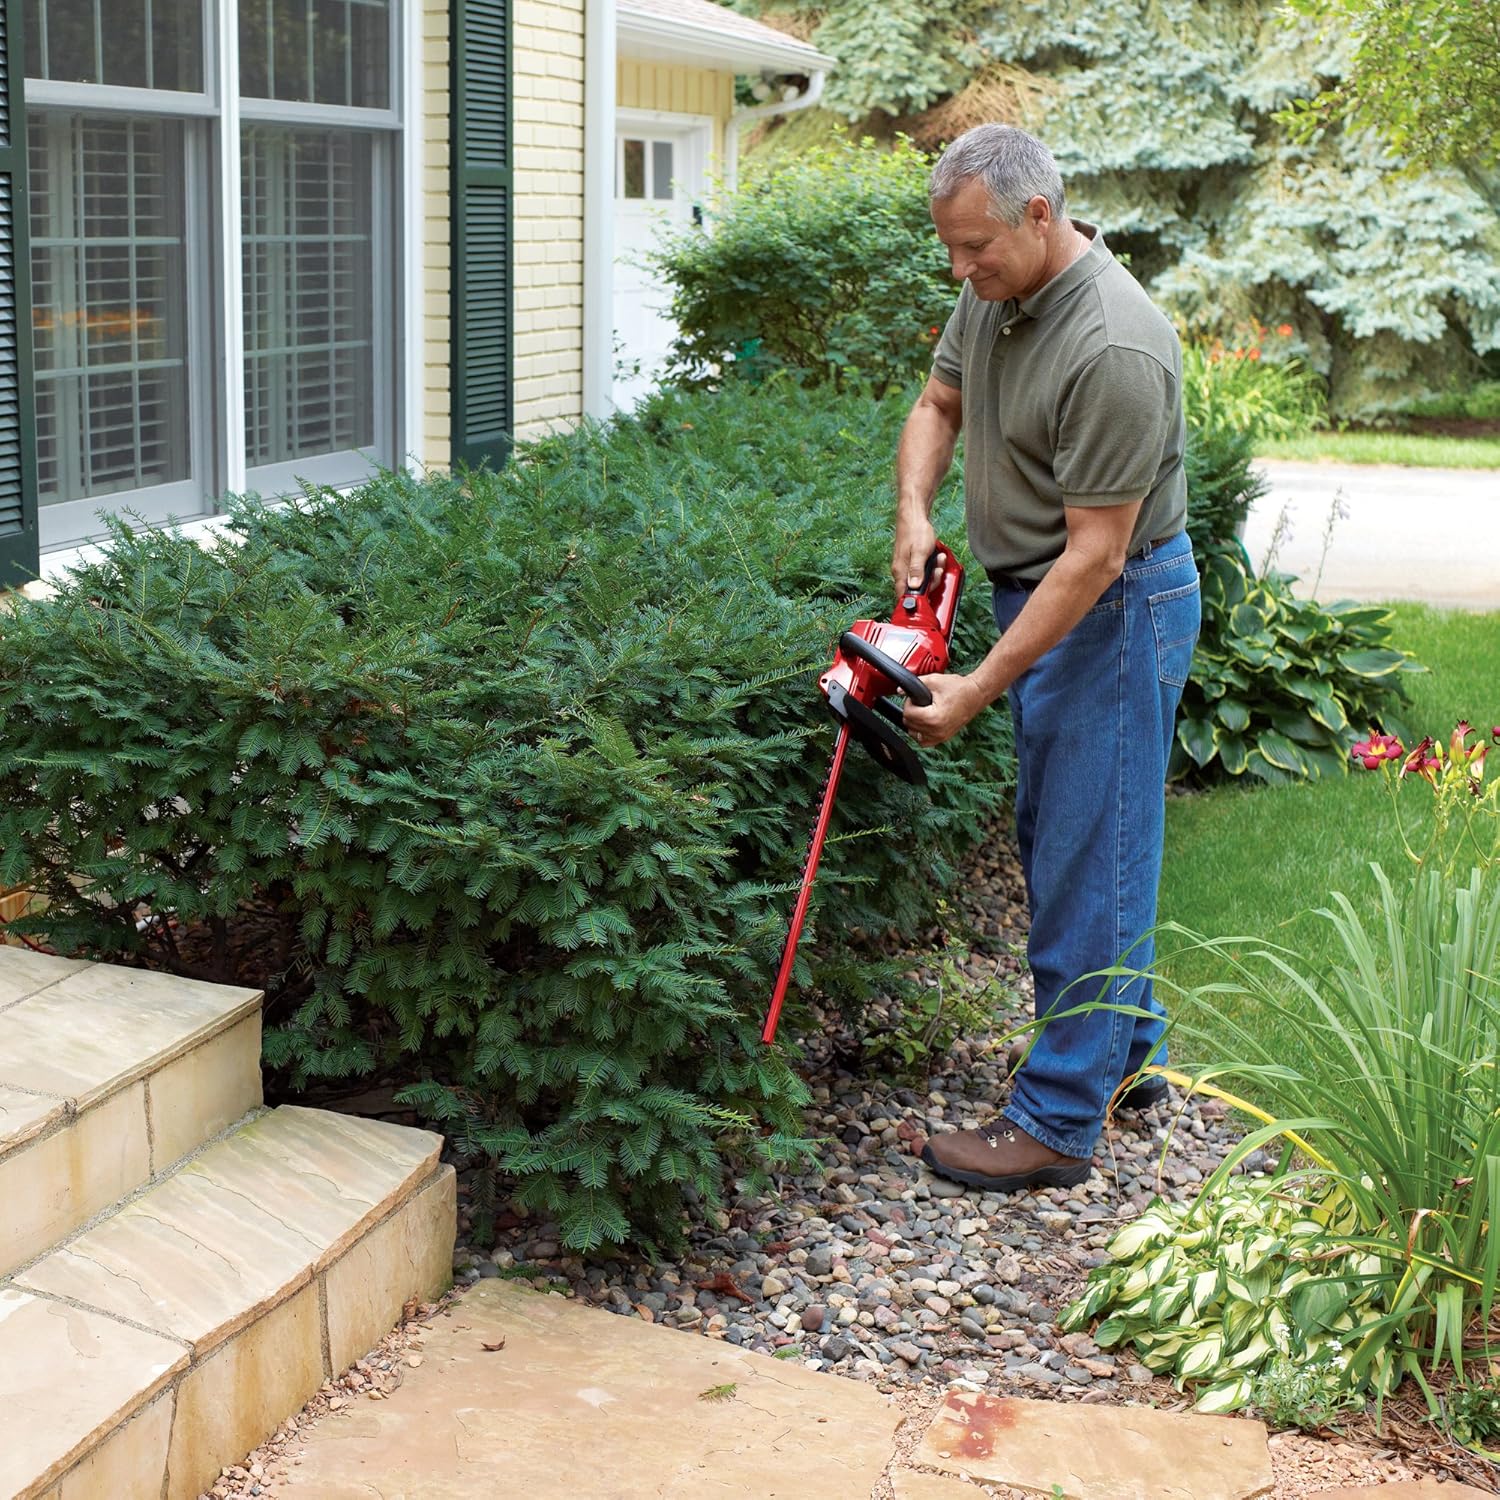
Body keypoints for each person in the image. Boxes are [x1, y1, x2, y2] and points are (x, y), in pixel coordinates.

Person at [896, 123, 1200, 1195]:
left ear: (1039, 215)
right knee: (1077, 838)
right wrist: (915, 513)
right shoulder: (995, 298)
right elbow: (939, 404)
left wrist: (976, 689)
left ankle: (1059, 1122)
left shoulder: (1113, 343)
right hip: (1046, 592)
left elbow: (1095, 555)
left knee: (1086, 851)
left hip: (1112, 608)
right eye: (951, 250)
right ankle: (1131, 1055)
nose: (959, 272)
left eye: (975, 247)